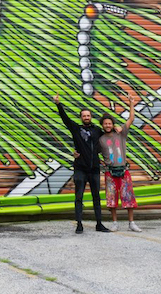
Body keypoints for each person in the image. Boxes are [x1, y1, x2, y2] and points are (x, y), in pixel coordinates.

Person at [53, 94, 109, 233]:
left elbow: (109, 135)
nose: (86, 117)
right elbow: (64, 119)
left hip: (94, 169)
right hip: (80, 169)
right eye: (84, 116)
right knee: (79, 197)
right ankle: (79, 224)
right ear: (81, 118)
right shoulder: (76, 129)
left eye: (88, 115)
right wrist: (58, 104)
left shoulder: (97, 130)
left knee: (96, 197)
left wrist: (117, 129)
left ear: (91, 117)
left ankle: (99, 224)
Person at [100, 87, 142, 232]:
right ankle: (115, 223)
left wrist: (131, 103)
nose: (107, 125)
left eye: (109, 123)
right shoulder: (100, 139)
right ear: (102, 125)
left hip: (123, 171)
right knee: (112, 199)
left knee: (128, 197)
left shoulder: (121, 133)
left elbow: (131, 119)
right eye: (105, 124)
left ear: (112, 124)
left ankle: (131, 223)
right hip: (110, 173)